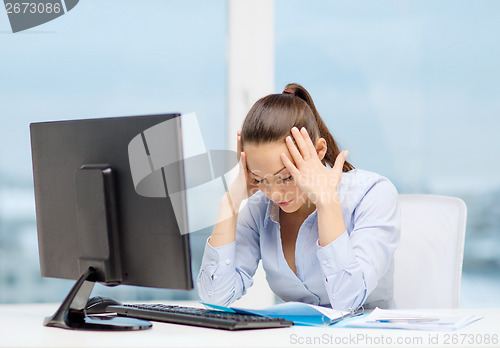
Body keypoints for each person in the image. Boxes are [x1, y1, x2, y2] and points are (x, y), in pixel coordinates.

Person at [197, 83, 401, 311]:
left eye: (285, 178)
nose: (274, 194)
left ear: (319, 151)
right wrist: (229, 203)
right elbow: (215, 297)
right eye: (260, 178)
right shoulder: (260, 209)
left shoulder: (372, 195)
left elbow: (347, 300)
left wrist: (327, 203)